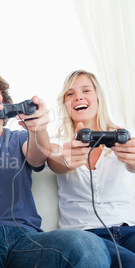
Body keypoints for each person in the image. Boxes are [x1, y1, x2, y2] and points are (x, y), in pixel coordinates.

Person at [0, 68, 111, 267]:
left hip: (25, 239)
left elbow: (38, 157)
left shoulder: (19, 138)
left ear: (3, 103)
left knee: (89, 244)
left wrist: (38, 130)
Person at [47, 70, 135, 267]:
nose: (78, 96)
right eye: (70, 94)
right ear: (65, 104)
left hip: (129, 229)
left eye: (86, 90)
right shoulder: (58, 142)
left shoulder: (125, 137)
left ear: (98, 97)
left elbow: (133, 164)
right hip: (86, 233)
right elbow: (55, 161)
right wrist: (66, 160)